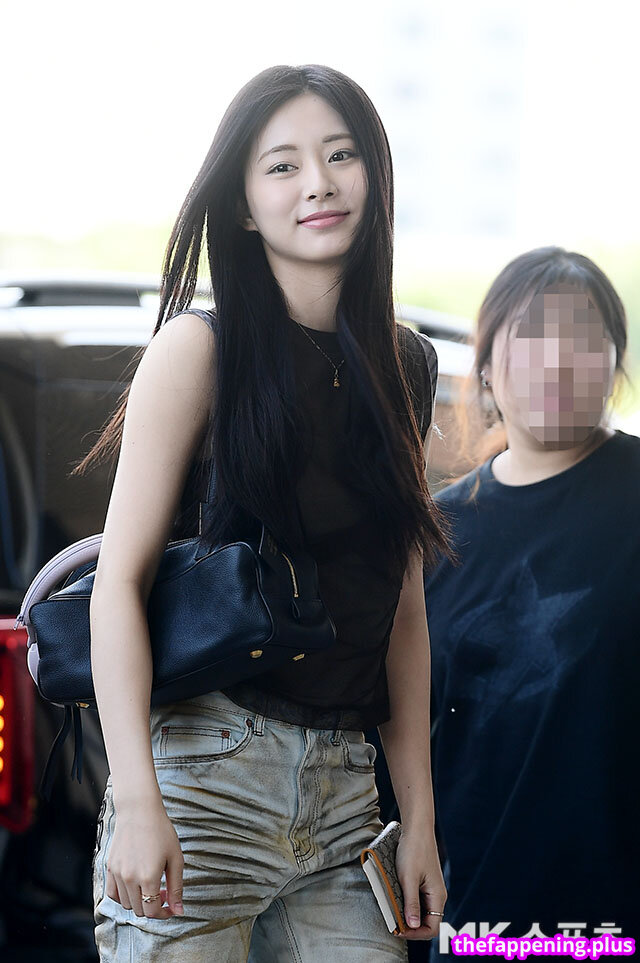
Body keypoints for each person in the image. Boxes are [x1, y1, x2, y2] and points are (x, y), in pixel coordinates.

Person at [76, 64, 450, 961]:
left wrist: (420, 818)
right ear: (243, 206)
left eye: (341, 155)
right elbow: (117, 585)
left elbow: (401, 610)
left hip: (346, 798)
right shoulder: (198, 351)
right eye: (282, 166)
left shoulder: (404, 365)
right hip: (204, 777)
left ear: (375, 176)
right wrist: (138, 800)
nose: (318, 182)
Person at [410, 247, 639, 957]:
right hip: (481, 921)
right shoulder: (437, 534)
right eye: (532, 334)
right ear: (485, 366)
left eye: (584, 337)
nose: (558, 359)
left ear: (615, 364)